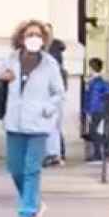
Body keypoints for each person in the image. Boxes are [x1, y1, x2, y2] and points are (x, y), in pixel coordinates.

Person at [0, 20, 66, 217]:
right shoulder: (10, 59)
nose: (33, 38)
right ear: (21, 38)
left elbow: (58, 93)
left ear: (43, 40)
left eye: (37, 35)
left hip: (38, 125)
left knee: (31, 170)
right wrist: (2, 79)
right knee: (15, 168)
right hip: (14, 122)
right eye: (29, 34)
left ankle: (27, 215)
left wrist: (47, 109)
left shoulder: (49, 63)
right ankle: (35, 202)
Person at [82, 58, 109, 162]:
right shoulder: (99, 81)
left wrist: (88, 112)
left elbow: (92, 99)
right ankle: (101, 152)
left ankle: (98, 154)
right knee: (96, 132)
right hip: (100, 109)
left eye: (90, 67)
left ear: (92, 68)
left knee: (94, 132)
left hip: (96, 110)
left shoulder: (95, 83)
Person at [43, 37, 69, 167]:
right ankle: (55, 154)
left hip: (51, 102)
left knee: (51, 129)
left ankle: (53, 154)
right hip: (54, 102)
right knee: (54, 129)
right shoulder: (59, 68)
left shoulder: (52, 66)